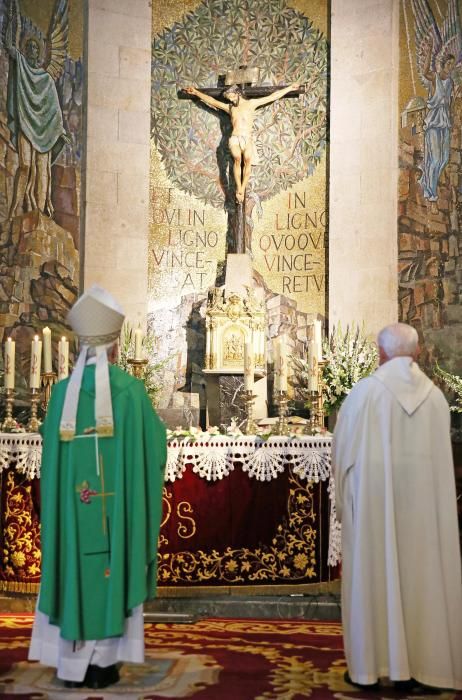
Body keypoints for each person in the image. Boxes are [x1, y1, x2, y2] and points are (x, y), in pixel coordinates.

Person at [29, 285, 167, 689]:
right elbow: (155, 451)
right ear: (113, 346)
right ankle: (103, 664)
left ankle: (70, 666)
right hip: (114, 512)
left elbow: (51, 463)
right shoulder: (130, 393)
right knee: (113, 560)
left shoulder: (59, 398)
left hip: (74, 514)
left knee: (76, 561)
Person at [332, 322, 462, 693]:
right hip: (426, 518)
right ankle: (429, 669)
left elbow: (343, 455)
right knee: (425, 579)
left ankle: (372, 668)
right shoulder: (436, 399)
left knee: (375, 575)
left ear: (381, 352)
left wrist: (345, 503)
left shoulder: (365, 394)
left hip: (375, 514)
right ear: (417, 352)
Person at [184, 82, 299, 203]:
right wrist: (196, 92)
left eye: (232, 97)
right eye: (229, 99)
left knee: (247, 161)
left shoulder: (251, 103)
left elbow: (272, 97)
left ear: (237, 93)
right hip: (235, 138)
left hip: (247, 138)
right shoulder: (231, 108)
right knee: (237, 159)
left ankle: (242, 189)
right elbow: (212, 101)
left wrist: (289, 88)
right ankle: (238, 187)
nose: (231, 100)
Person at [5, 3, 69, 218]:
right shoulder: (21, 66)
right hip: (26, 123)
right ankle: (15, 210)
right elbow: (9, 46)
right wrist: (15, 20)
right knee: (24, 164)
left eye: (35, 48)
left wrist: (60, 131)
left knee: (43, 169)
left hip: (44, 129)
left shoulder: (47, 80)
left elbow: (55, 109)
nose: (32, 51)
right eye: (29, 47)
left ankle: (40, 213)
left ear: (40, 53)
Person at [419, 37, 456, 215]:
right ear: (442, 65)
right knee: (434, 160)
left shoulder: (450, 83)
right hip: (433, 124)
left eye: (453, 66)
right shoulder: (435, 79)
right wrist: (428, 52)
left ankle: (429, 183)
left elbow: (450, 105)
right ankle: (431, 195)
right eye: (449, 65)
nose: (451, 69)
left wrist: (453, 122)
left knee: (444, 159)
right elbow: (425, 71)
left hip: (445, 124)